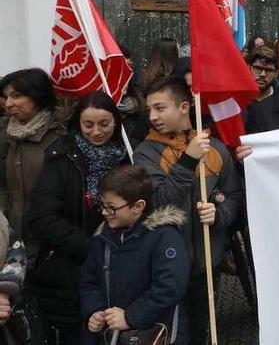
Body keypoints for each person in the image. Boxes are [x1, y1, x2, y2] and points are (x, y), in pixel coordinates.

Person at [134, 75, 243, 345]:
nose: (153, 116)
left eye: (160, 107)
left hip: (209, 262)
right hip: (166, 264)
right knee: (172, 332)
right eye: (150, 109)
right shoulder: (145, 153)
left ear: (184, 107)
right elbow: (160, 202)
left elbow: (234, 197)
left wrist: (219, 215)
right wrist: (188, 160)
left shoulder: (215, 148)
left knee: (202, 329)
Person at [29, 91, 130, 343]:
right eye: (89, 124)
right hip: (72, 266)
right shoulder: (61, 158)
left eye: (104, 124)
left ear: (116, 123)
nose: (96, 131)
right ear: (78, 124)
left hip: (123, 262)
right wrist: (89, 246)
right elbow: (42, 217)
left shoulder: (129, 155)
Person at [79, 165, 190, 345]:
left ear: (138, 206)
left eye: (112, 208)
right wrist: (95, 311)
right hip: (114, 335)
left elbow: (169, 287)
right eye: (103, 206)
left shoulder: (165, 237)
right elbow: (89, 280)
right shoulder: (102, 238)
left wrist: (130, 317)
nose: (105, 213)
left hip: (157, 334)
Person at [1, 69, 66, 249]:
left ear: (37, 96)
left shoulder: (61, 136)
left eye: (16, 96)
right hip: (12, 238)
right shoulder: (5, 135)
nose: (9, 103)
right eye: (6, 97)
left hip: (50, 240)